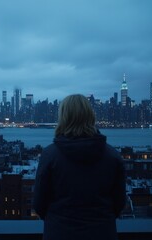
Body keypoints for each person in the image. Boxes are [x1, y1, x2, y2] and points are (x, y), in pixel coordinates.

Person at [33, 94, 126, 240]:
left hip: (59, 233)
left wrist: (57, 219)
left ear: (63, 117)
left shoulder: (50, 155)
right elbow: (120, 203)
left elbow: (39, 203)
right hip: (102, 233)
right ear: (91, 116)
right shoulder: (112, 156)